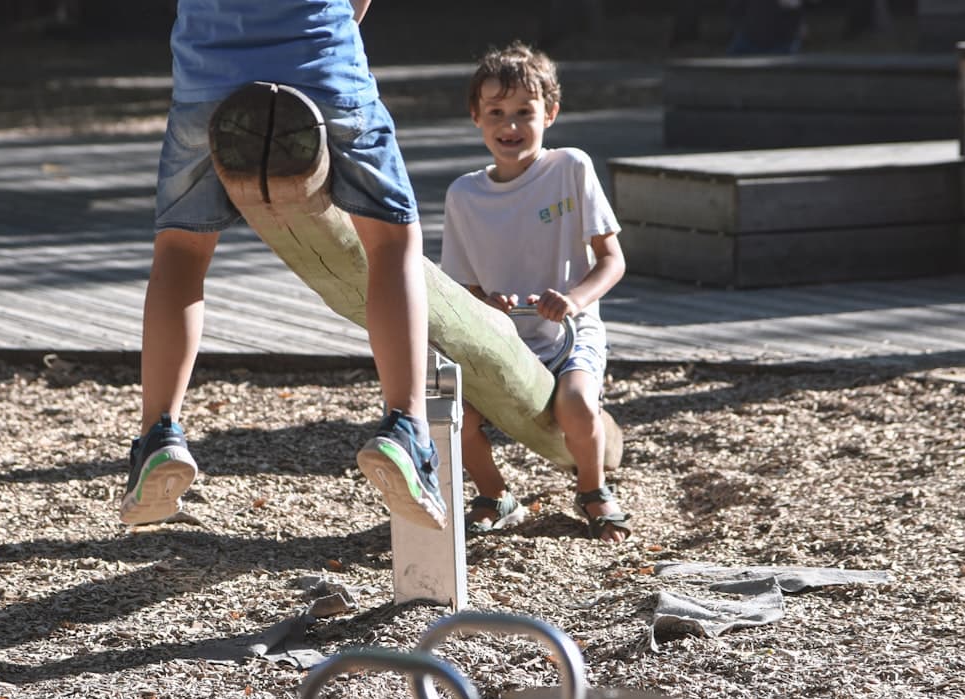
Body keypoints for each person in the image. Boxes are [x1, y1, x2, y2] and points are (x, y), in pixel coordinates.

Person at [119, 0, 447, 532]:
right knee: (393, 241)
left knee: (180, 251)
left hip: (207, 75)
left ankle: (160, 432)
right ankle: (406, 425)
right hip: (322, 62)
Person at [439, 42, 630, 543]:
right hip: (501, 336)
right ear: (476, 117)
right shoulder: (464, 195)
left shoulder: (570, 168)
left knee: (578, 406)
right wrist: (486, 305)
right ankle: (493, 493)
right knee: (454, 413)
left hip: (569, 332)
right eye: (497, 113)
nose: (512, 125)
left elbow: (612, 261)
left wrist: (575, 299)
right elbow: (466, 286)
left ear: (551, 113)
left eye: (525, 112)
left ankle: (592, 488)